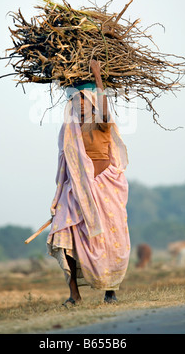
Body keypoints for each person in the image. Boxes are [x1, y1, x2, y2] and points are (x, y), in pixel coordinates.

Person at [47, 59, 130, 306]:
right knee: (63, 234)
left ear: (92, 101)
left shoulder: (102, 123)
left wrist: (97, 77)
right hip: (75, 193)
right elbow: (66, 164)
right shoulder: (69, 128)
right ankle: (74, 295)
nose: (80, 105)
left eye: (84, 99)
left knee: (109, 240)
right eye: (75, 100)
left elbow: (105, 111)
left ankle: (110, 290)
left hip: (106, 189)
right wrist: (60, 194)